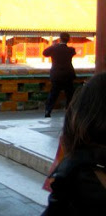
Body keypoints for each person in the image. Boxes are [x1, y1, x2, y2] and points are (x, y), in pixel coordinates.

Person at [41, 72, 106, 215]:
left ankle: (47, 109)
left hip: (57, 78)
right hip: (67, 78)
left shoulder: (74, 174)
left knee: (54, 94)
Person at [43, 32, 76, 117]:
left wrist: (54, 45)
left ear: (59, 39)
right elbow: (73, 53)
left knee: (53, 93)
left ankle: (48, 110)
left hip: (56, 74)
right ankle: (69, 111)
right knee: (70, 94)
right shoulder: (71, 50)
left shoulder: (54, 49)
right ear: (68, 40)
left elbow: (45, 53)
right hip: (68, 74)